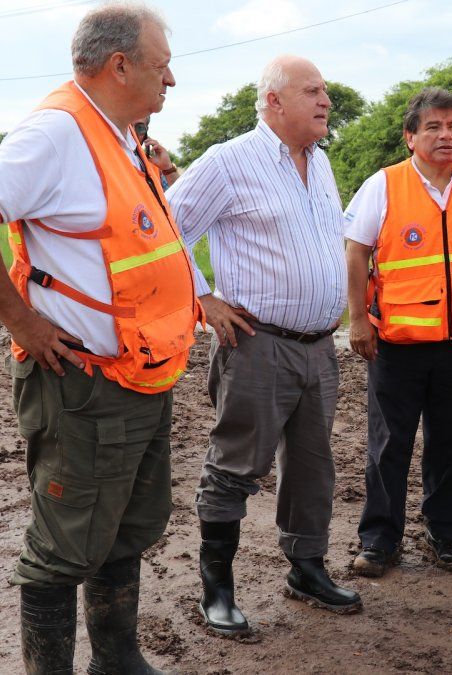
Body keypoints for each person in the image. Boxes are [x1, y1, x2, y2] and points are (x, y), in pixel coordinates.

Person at [0, 4, 195, 673]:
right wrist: (22, 321)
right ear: (120, 66)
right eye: (162, 67)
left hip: (141, 376)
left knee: (125, 529)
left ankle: (118, 658)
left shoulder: (122, 134)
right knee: (63, 549)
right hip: (83, 388)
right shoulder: (57, 133)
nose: (172, 82)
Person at [166, 54, 360, 637]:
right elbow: (166, 226)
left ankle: (306, 568)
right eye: (313, 91)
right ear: (274, 101)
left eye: (326, 90)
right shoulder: (229, 161)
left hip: (320, 347)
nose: (326, 101)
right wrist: (202, 298)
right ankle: (216, 589)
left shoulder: (320, 163)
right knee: (235, 466)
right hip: (258, 344)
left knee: (312, 467)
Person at [343, 87, 452, 577]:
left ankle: (447, 535)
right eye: (433, 127)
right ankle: (379, 540)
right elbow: (355, 251)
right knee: (387, 444)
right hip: (395, 345)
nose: (446, 135)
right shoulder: (384, 185)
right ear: (410, 137)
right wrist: (357, 320)